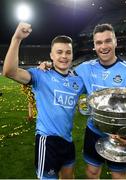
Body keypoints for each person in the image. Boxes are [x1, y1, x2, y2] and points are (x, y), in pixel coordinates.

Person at [38, 23, 126, 179]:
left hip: (120, 134)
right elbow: (64, 74)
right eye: (99, 42)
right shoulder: (84, 68)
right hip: (94, 131)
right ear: (94, 45)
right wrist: (49, 65)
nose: (103, 46)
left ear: (115, 42)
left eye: (108, 41)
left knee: (119, 175)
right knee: (92, 172)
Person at [3, 22, 85, 179]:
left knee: (69, 177)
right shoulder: (41, 76)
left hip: (67, 140)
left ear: (72, 55)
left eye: (68, 52)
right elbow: (10, 72)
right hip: (47, 142)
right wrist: (17, 38)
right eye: (59, 52)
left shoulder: (78, 82)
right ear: (51, 55)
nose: (64, 56)